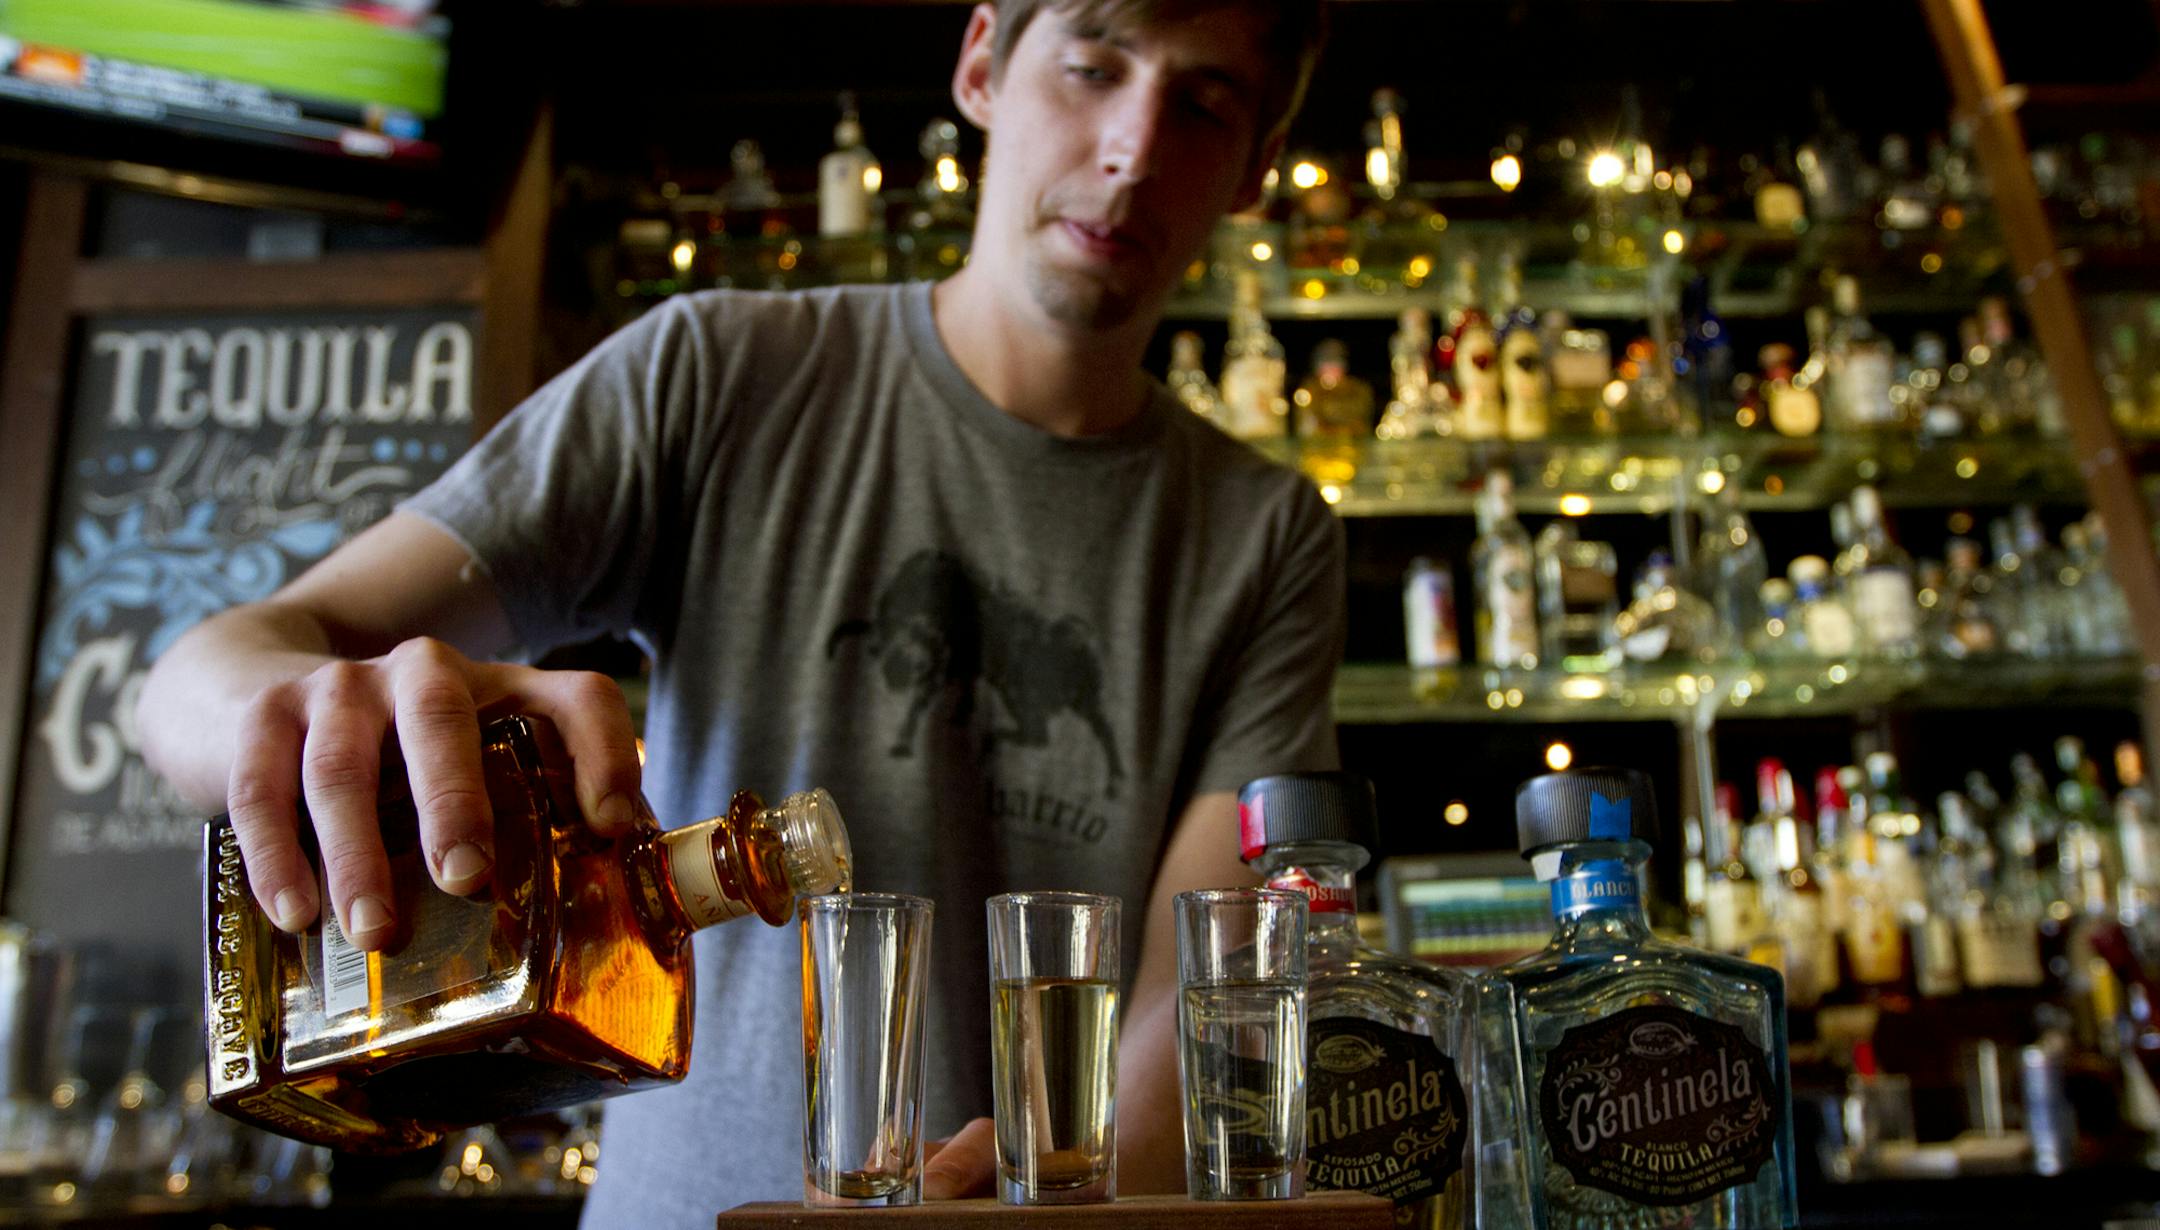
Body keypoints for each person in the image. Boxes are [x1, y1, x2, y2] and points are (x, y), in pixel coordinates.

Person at [138, 0, 1337, 1219]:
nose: (1132, 146)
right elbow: (196, 675)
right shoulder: (717, 374)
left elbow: (1199, 987)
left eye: (1203, 105)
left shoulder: (1266, 534)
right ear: (982, 65)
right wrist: (320, 721)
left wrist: (1051, 1193)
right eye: (1091, 67)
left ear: (1255, 171)